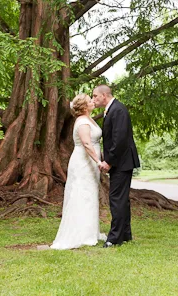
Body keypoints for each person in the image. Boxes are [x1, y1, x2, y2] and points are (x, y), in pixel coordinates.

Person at [50, 93, 107, 250]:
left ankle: (90, 231)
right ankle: (80, 234)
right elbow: (87, 144)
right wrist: (98, 162)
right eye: (89, 100)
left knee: (90, 194)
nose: (92, 101)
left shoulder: (89, 119)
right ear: (83, 107)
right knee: (82, 194)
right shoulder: (82, 122)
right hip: (83, 162)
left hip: (91, 162)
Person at [92, 84, 140, 247]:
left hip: (122, 162)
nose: (94, 99)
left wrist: (109, 161)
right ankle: (125, 234)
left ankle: (114, 238)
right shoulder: (112, 109)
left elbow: (120, 139)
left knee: (116, 198)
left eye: (95, 96)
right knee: (122, 199)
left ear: (104, 95)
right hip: (121, 161)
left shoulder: (118, 110)